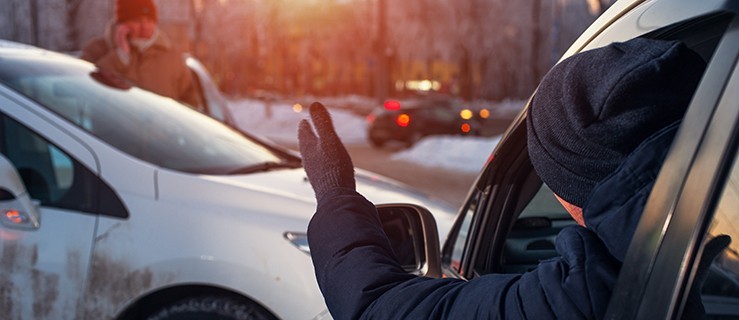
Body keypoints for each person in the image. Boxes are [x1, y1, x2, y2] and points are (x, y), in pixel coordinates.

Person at [297, 38, 730, 319]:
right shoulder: (716, 237)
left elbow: (375, 307)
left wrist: (335, 195)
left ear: (567, 185)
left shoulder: (588, 297)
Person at [81, 0, 197, 107]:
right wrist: (120, 57)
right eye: (137, 20)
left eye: (149, 20)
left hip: (161, 129)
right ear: (122, 24)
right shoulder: (97, 50)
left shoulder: (171, 55)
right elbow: (85, 90)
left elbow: (190, 100)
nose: (145, 27)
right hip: (111, 129)